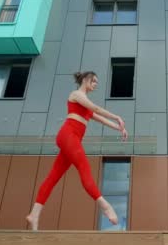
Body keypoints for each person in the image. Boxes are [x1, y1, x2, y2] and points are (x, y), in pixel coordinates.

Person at [25, 71, 128, 231]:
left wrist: (119, 128)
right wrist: (117, 116)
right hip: (68, 135)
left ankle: (34, 214)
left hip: (72, 140)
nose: (95, 85)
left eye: (96, 83)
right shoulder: (76, 94)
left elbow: (99, 117)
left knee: (53, 177)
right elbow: (96, 108)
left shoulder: (85, 104)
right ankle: (105, 205)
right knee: (84, 168)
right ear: (86, 80)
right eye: (94, 81)